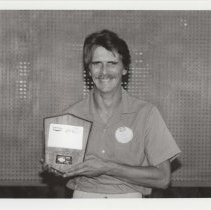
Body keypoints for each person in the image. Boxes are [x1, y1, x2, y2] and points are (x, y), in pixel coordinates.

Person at [43, 29, 181, 198]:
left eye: (112, 63)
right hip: (83, 198)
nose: (104, 71)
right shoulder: (71, 115)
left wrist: (108, 167)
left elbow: (163, 178)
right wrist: (56, 167)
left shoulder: (146, 114)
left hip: (130, 199)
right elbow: (62, 168)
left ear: (124, 69)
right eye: (97, 63)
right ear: (88, 70)